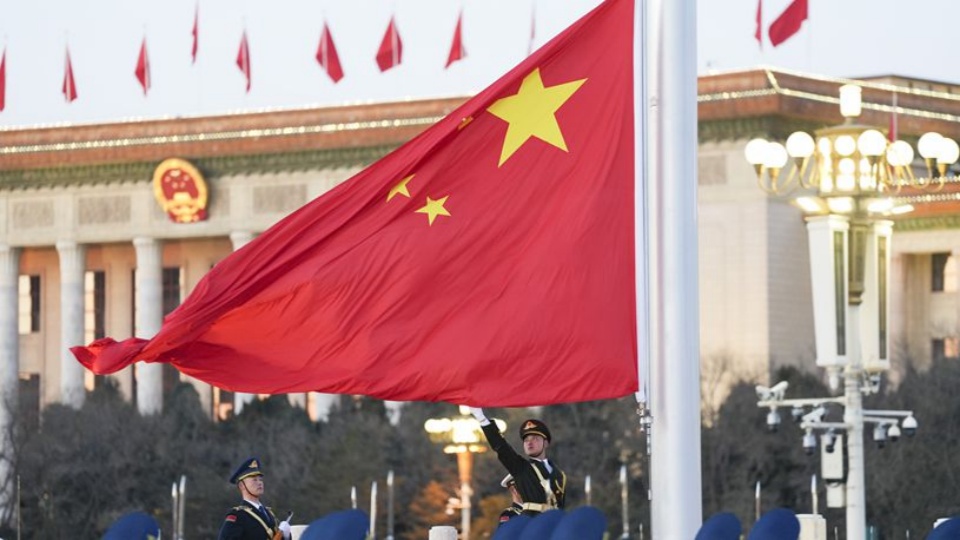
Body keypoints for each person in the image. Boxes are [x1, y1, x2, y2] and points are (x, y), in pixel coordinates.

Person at [470, 408, 567, 515]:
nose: (529, 443)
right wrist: (482, 420)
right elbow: (501, 447)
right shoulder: (521, 468)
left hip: (554, 524)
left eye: (534, 438)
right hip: (532, 523)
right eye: (526, 440)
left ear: (546, 443)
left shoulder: (560, 474)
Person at [217, 457, 292, 540]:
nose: (259, 483)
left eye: (260, 479)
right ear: (242, 485)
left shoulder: (269, 514)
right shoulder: (238, 516)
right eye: (254, 480)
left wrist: (286, 536)